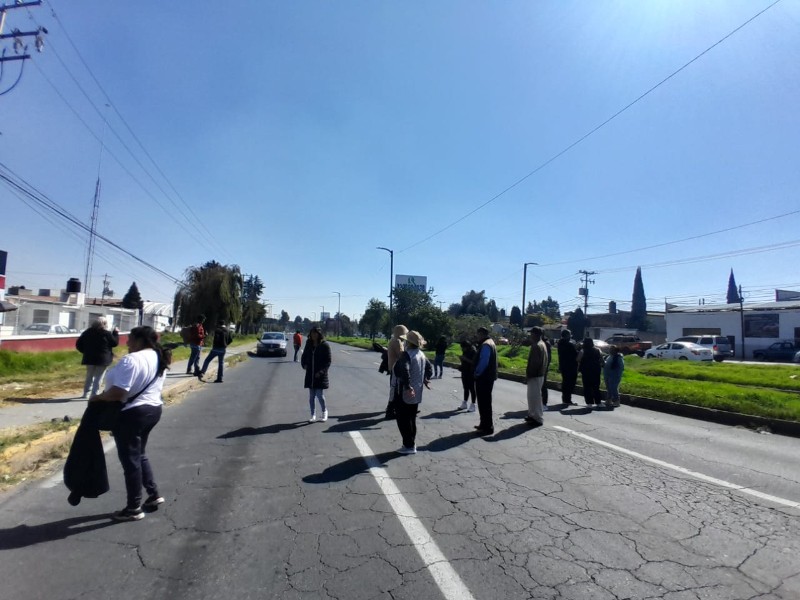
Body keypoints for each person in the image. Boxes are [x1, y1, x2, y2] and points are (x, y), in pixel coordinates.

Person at [89, 326, 171, 521]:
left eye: (130, 339)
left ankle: (134, 507)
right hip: (153, 410)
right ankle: (153, 494)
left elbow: (119, 392)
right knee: (140, 454)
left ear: (141, 341)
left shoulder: (132, 360)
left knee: (131, 461)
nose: (126, 343)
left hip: (132, 414)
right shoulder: (159, 356)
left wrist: (99, 398)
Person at [392, 330, 433, 454]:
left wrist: (408, 386)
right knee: (411, 418)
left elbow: (405, 370)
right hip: (417, 391)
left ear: (408, 343)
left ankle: (408, 445)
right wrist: (425, 379)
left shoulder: (406, 354)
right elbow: (429, 369)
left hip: (406, 391)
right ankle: (411, 444)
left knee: (402, 419)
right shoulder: (421, 354)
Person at [75, 317, 119, 398]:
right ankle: (94, 394)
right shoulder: (106, 333)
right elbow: (114, 343)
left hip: (89, 357)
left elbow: (78, 344)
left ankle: (86, 393)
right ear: (104, 324)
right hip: (102, 358)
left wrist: (85, 352)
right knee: (99, 377)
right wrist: (115, 333)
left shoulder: (87, 332)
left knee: (89, 376)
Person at [301, 327, 332, 422]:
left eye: (315, 333)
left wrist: (321, 372)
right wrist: (304, 364)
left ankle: (324, 411)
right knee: (311, 396)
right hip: (310, 373)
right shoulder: (308, 343)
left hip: (320, 374)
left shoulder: (325, 345)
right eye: (312, 333)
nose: (314, 335)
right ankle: (313, 414)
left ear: (319, 334)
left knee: (319, 395)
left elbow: (328, 361)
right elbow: (304, 356)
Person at [473, 326, 498, 435]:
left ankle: (487, 426)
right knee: (484, 402)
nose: (477, 337)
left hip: (484, 377)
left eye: (478, 334)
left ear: (482, 334)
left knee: (484, 402)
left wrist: (477, 373)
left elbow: (484, 361)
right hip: (488, 377)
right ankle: (484, 424)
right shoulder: (490, 342)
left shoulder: (486, 344)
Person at [524, 326, 549, 427]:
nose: (530, 335)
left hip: (535, 375)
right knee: (532, 396)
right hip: (540, 374)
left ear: (535, 334)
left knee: (535, 397)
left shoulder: (536, 346)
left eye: (531, 333)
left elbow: (534, 363)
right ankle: (532, 415)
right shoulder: (542, 344)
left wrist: (528, 376)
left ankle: (537, 418)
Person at [385, 324, 408, 420]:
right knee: (395, 390)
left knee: (394, 389)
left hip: (393, 368)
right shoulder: (398, 342)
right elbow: (401, 355)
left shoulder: (393, 340)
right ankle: (391, 410)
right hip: (397, 369)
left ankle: (393, 409)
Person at [578, 338, 604, 407]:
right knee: (596, 387)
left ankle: (589, 403)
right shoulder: (598, 350)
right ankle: (598, 402)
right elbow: (601, 360)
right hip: (596, 370)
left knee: (587, 387)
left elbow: (578, 359)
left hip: (586, 371)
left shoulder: (583, 350)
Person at [557, 329, 578, 406]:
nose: (570, 336)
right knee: (570, 383)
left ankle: (565, 399)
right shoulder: (569, 345)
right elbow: (576, 354)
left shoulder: (560, 343)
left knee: (565, 382)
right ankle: (567, 399)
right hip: (571, 366)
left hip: (563, 365)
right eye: (569, 334)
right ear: (567, 335)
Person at [457, 340, 477, 412]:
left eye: (463, 347)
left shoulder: (473, 351)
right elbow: (464, 361)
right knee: (465, 388)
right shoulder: (465, 351)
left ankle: (473, 404)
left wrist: (465, 359)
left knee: (472, 389)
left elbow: (474, 363)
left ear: (467, 346)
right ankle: (464, 403)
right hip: (465, 371)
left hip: (471, 372)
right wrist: (461, 360)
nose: (462, 349)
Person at [541, 333, 552, 407]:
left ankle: (544, 403)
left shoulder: (545, 343)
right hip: (540, 367)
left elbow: (547, 357)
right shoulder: (542, 343)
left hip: (543, 367)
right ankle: (541, 402)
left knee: (543, 385)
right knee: (541, 385)